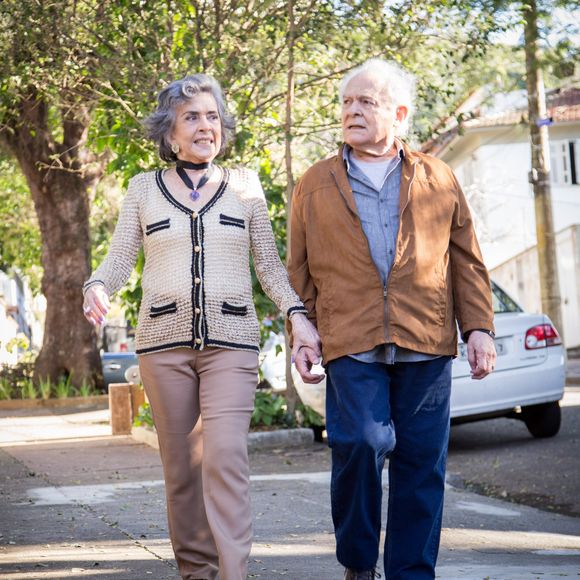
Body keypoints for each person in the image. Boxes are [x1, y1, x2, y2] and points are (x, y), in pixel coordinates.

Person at [82, 73, 320, 580]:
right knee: (183, 471)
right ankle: (198, 573)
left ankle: (233, 573)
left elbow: (270, 267)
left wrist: (298, 315)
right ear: (170, 134)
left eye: (212, 116)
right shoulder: (143, 188)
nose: (205, 125)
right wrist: (97, 286)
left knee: (226, 458)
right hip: (161, 346)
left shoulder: (246, 187)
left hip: (231, 343)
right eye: (192, 117)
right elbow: (120, 258)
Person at [289, 59, 496, 580]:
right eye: (346, 102)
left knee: (422, 465)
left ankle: (411, 572)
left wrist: (478, 328)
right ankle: (359, 561)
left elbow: (466, 258)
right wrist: (302, 332)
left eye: (367, 102)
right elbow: (299, 270)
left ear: (399, 114)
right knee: (360, 443)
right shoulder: (313, 184)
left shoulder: (438, 177)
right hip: (349, 338)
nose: (352, 111)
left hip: (425, 337)